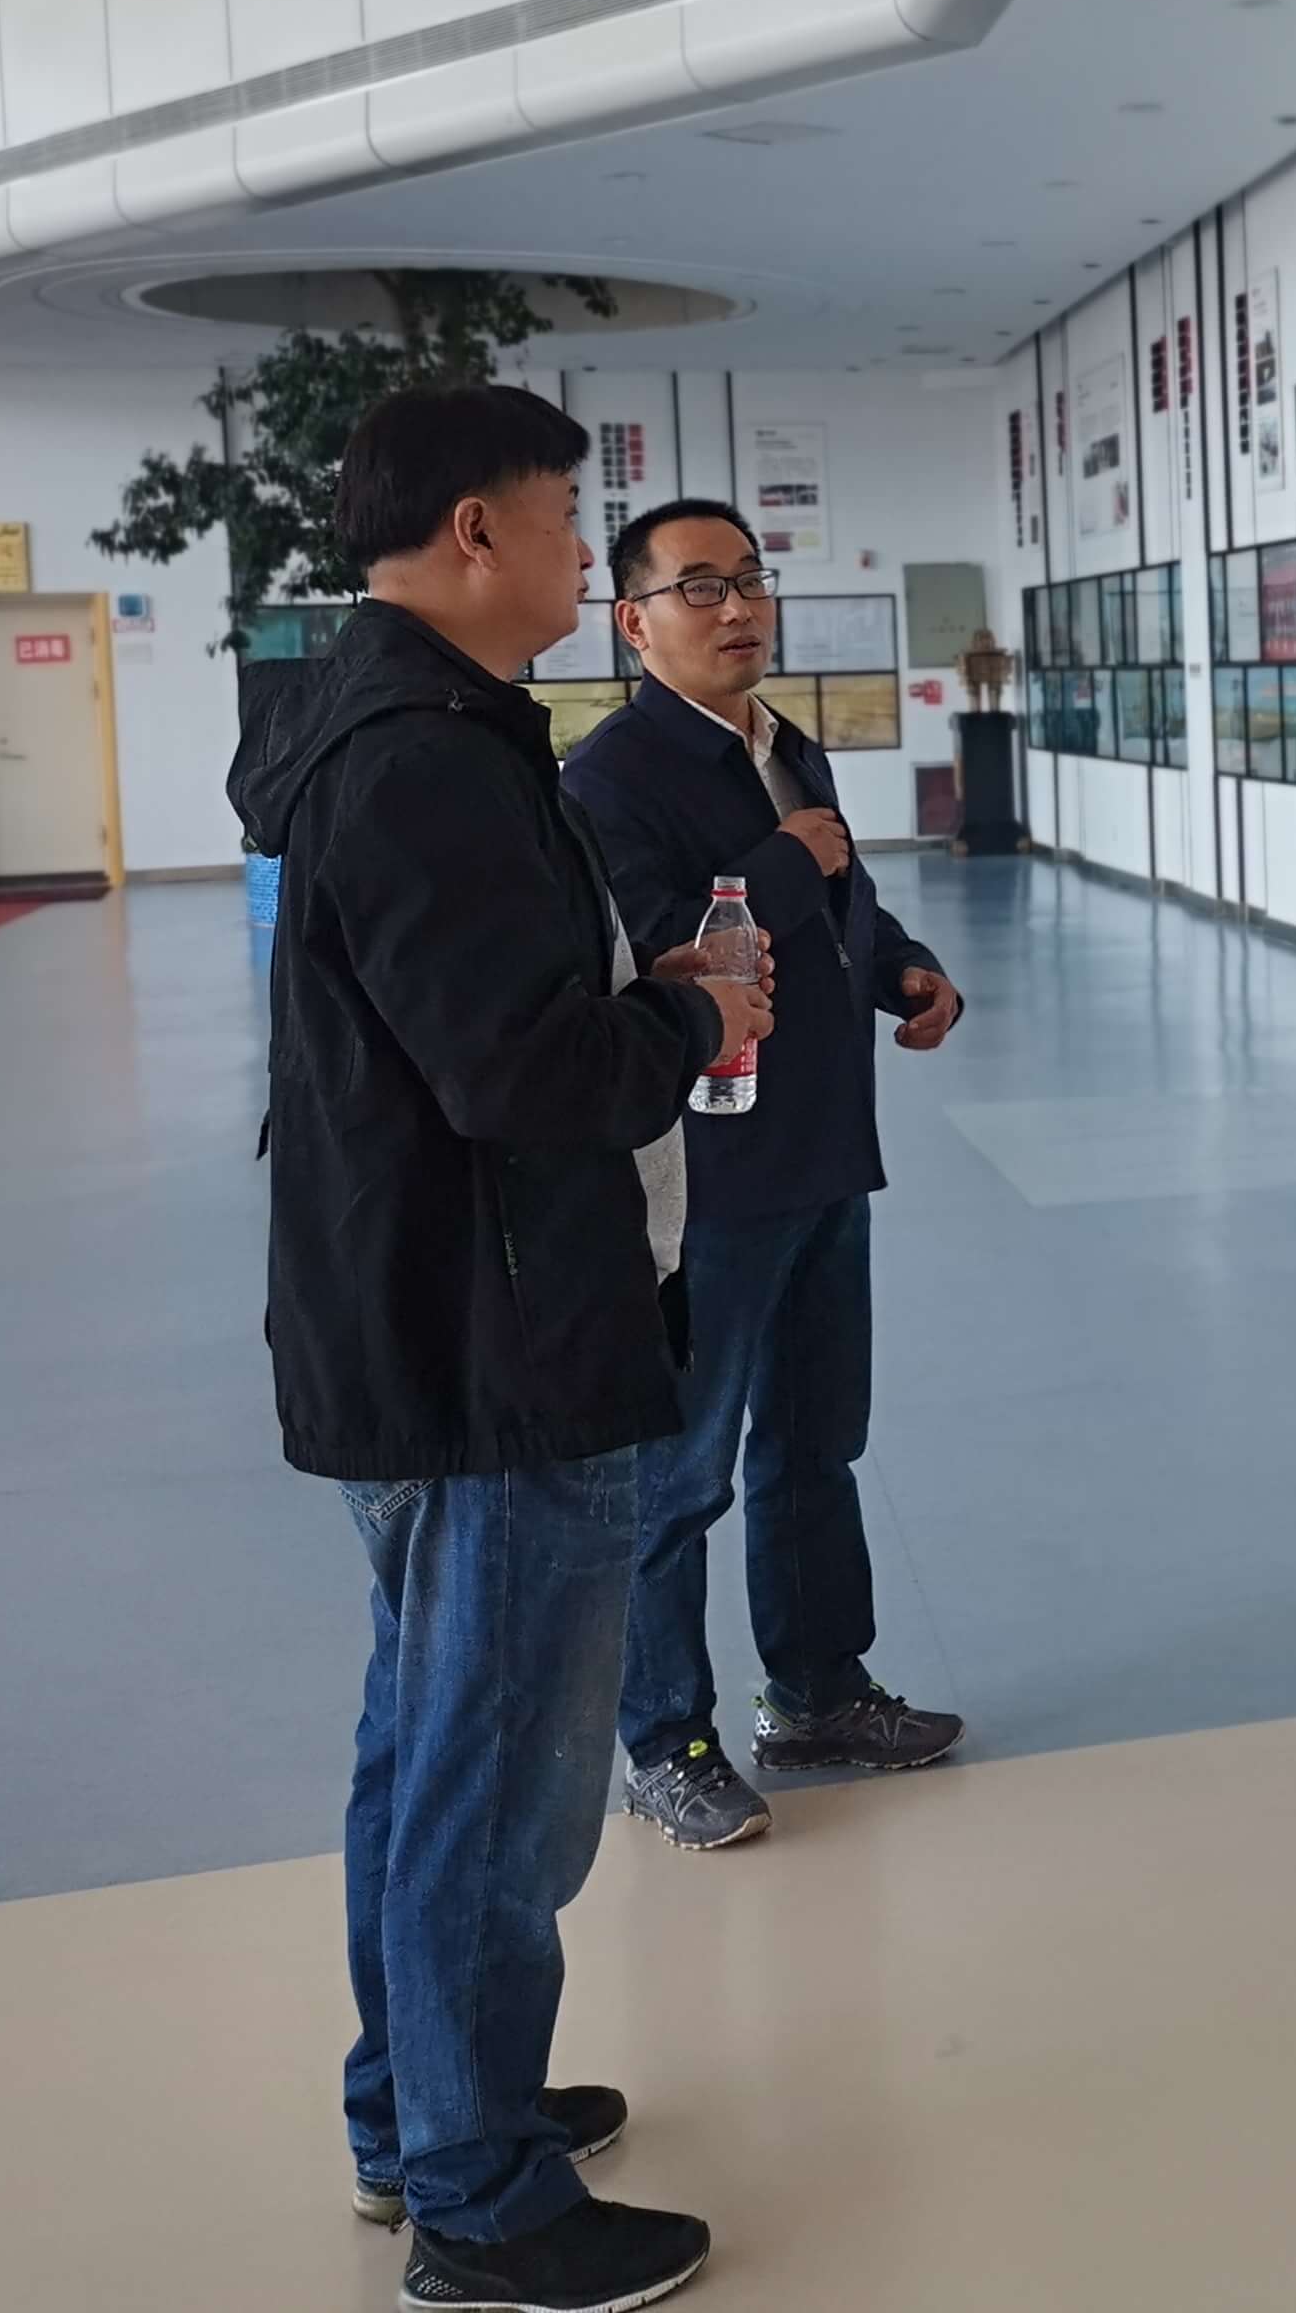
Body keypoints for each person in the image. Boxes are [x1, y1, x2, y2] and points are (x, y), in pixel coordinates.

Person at [232, 383, 780, 2313]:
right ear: (476, 530)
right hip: (493, 1342)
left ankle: (424, 2116)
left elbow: (475, 1023)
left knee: (427, 1741)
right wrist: (694, 1017)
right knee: (496, 1779)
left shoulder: (386, 726)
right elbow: (524, 1076)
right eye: (563, 517)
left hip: (424, 1314)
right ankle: (478, 2201)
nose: (577, 552)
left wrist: (640, 995)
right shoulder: (428, 761)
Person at [561, 499, 970, 1852]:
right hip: (706, 1170)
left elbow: (843, 903)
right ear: (633, 622)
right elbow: (664, 947)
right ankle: (662, 1741)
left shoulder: (783, 743)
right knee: (679, 1474)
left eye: (749, 581)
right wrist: (782, 862)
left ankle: (818, 1695)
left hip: (823, 1150)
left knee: (815, 1443)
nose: (736, 608)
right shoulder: (610, 778)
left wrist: (902, 966)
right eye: (699, 588)